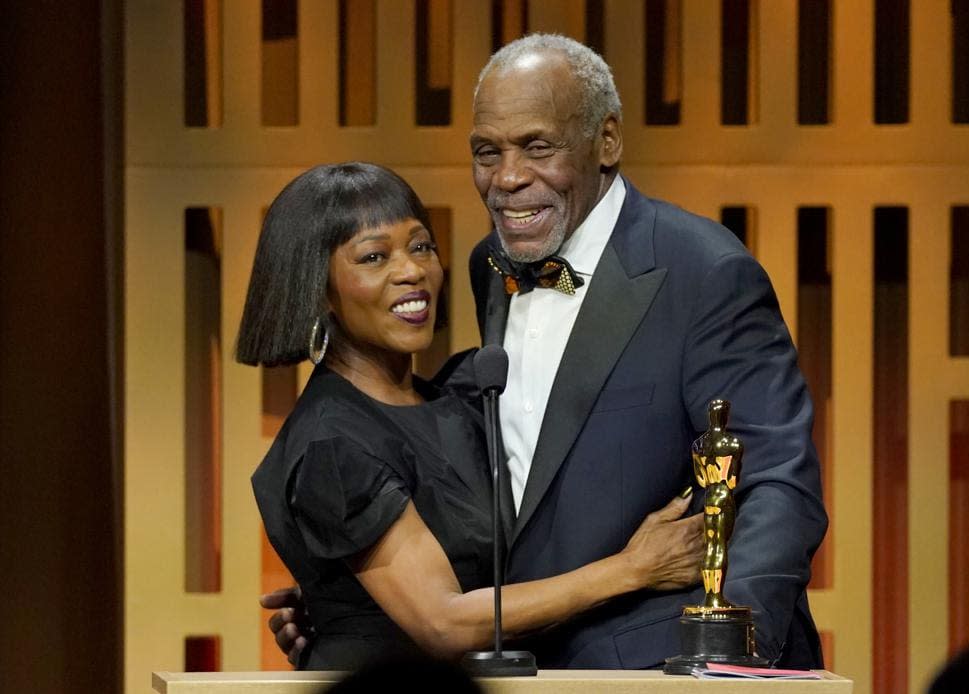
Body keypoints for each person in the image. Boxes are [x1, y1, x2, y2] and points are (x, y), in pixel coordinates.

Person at [266, 33, 828, 670]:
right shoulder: (493, 265)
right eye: (487, 151)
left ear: (606, 141)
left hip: (662, 663)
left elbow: (777, 481)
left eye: (537, 146)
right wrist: (350, 599)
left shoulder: (702, 269)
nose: (508, 177)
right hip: (524, 662)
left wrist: (732, 654)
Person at [239, 161, 703, 670]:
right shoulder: (333, 440)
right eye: (374, 257)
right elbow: (445, 623)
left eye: (420, 246)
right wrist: (634, 569)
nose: (412, 271)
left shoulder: (454, 398)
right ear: (316, 289)